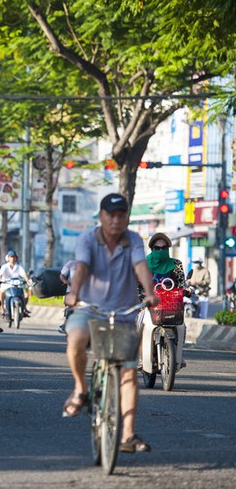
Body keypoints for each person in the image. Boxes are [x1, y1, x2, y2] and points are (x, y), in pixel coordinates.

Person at [63, 193, 158, 454]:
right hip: (90, 309)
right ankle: (81, 388)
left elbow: (140, 266)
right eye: (111, 215)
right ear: (101, 216)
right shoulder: (87, 239)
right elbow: (81, 267)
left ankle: (128, 434)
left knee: (128, 372)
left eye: (121, 215)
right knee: (76, 339)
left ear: (127, 217)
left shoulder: (135, 240)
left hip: (124, 313)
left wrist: (150, 292)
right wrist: (73, 292)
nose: (116, 220)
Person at [138, 232, 187, 368]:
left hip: (170, 304)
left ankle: (178, 355)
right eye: (157, 248)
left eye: (163, 248)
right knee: (141, 326)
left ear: (168, 249)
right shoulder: (143, 265)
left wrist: (187, 290)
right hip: (148, 304)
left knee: (181, 326)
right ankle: (142, 357)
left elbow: (181, 283)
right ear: (152, 249)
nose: (160, 251)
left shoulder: (176, 264)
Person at [0, 249, 31, 318]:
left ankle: (23, 308)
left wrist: (27, 281)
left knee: (26, 295)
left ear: (16, 258)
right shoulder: (4, 267)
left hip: (17, 286)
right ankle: (3, 310)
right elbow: (0, 276)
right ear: (8, 258)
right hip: (6, 285)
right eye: (11, 257)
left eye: (14, 257)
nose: (12, 258)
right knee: (0, 294)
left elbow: (24, 275)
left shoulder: (19, 267)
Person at [58, 259, 78, 334]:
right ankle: (64, 325)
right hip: (71, 291)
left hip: (85, 294)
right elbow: (62, 275)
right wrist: (65, 281)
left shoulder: (92, 264)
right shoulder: (71, 263)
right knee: (70, 308)